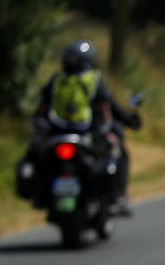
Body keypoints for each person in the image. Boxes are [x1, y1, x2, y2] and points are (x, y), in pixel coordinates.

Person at [30, 40, 140, 215]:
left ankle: (40, 197)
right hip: (85, 134)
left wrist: (40, 127)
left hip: (57, 134)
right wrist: (128, 119)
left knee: (36, 155)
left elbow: (40, 110)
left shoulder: (57, 81)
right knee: (116, 151)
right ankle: (115, 197)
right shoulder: (92, 80)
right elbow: (109, 105)